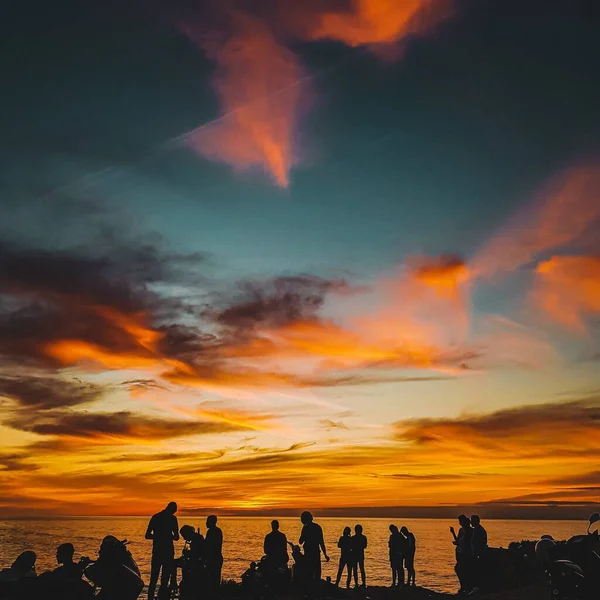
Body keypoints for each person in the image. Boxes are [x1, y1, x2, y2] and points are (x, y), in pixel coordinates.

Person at [145, 501, 179, 600]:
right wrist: (167, 536)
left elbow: (147, 535)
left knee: (154, 579)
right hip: (167, 552)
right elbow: (176, 537)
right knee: (164, 579)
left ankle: (151, 598)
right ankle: (161, 597)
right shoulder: (173, 519)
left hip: (158, 552)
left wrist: (157, 536)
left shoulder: (155, 517)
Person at [299, 511, 329, 597]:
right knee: (317, 574)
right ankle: (317, 593)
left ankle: (309, 593)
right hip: (316, 554)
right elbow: (321, 542)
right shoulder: (317, 527)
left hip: (308, 555)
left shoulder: (305, 528)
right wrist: (325, 554)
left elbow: (300, 541)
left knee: (308, 574)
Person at [450, 514, 474, 594]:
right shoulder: (461, 530)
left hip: (466, 553)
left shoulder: (470, 531)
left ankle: (466, 587)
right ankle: (463, 586)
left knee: (463, 570)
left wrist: (458, 543)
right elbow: (458, 540)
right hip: (460, 553)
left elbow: (467, 543)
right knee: (459, 569)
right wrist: (453, 532)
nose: (459, 523)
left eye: (460, 521)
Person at [205, 515, 224, 598]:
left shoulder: (213, 532)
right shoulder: (215, 531)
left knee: (213, 580)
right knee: (214, 579)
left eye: (207, 521)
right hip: (216, 558)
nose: (206, 523)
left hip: (214, 559)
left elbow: (209, 545)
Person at [470, 515, 488, 593]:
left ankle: (479, 587)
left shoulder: (479, 530)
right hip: (477, 553)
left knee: (478, 570)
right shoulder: (477, 530)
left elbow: (480, 542)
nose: (471, 522)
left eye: (472, 520)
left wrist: (476, 552)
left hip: (479, 553)